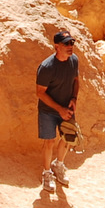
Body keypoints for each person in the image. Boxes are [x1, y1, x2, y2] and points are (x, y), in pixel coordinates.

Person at [36, 29, 80, 193]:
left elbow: (76, 80)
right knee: (49, 142)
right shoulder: (47, 67)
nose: (70, 46)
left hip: (66, 108)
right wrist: (59, 109)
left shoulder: (73, 60)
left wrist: (74, 99)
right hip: (48, 110)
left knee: (68, 136)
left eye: (72, 43)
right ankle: (47, 173)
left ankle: (58, 164)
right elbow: (40, 92)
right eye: (66, 44)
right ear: (57, 46)